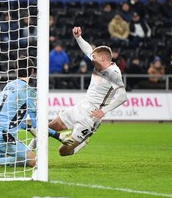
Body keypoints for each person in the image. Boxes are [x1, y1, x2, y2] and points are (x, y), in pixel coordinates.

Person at [0, 56, 72, 168]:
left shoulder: (8, 85)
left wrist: (28, 128)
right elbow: (37, 125)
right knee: (34, 161)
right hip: (3, 136)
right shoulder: (29, 92)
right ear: (32, 71)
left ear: (17, 71)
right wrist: (58, 136)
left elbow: (15, 120)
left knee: (8, 156)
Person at [49, 26, 128, 156]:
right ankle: (28, 150)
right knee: (49, 127)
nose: (91, 58)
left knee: (63, 152)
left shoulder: (113, 73)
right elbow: (88, 49)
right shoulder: (99, 64)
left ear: (103, 58)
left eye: (94, 57)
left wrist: (103, 111)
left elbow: (123, 96)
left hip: (91, 118)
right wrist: (78, 37)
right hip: (81, 107)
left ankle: (83, 142)